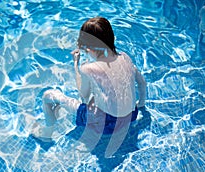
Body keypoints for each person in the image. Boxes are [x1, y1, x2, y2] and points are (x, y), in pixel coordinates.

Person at [32, 17, 147, 156]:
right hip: (131, 116)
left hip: (104, 125)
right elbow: (142, 83)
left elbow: (84, 97)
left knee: (48, 96)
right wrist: (140, 105)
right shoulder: (124, 57)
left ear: (88, 47)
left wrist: (76, 65)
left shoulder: (89, 68)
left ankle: (47, 134)